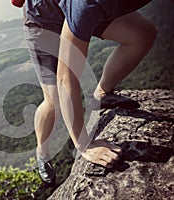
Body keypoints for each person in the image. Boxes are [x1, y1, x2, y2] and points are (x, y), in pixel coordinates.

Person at [15, 0, 156, 184]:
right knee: (54, 100)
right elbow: (65, 78)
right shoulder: (87, 2)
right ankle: (42, 152)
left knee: (142, 34)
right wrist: (84, 144)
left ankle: (102, 94)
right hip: (42, 21)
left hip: (73, 9)